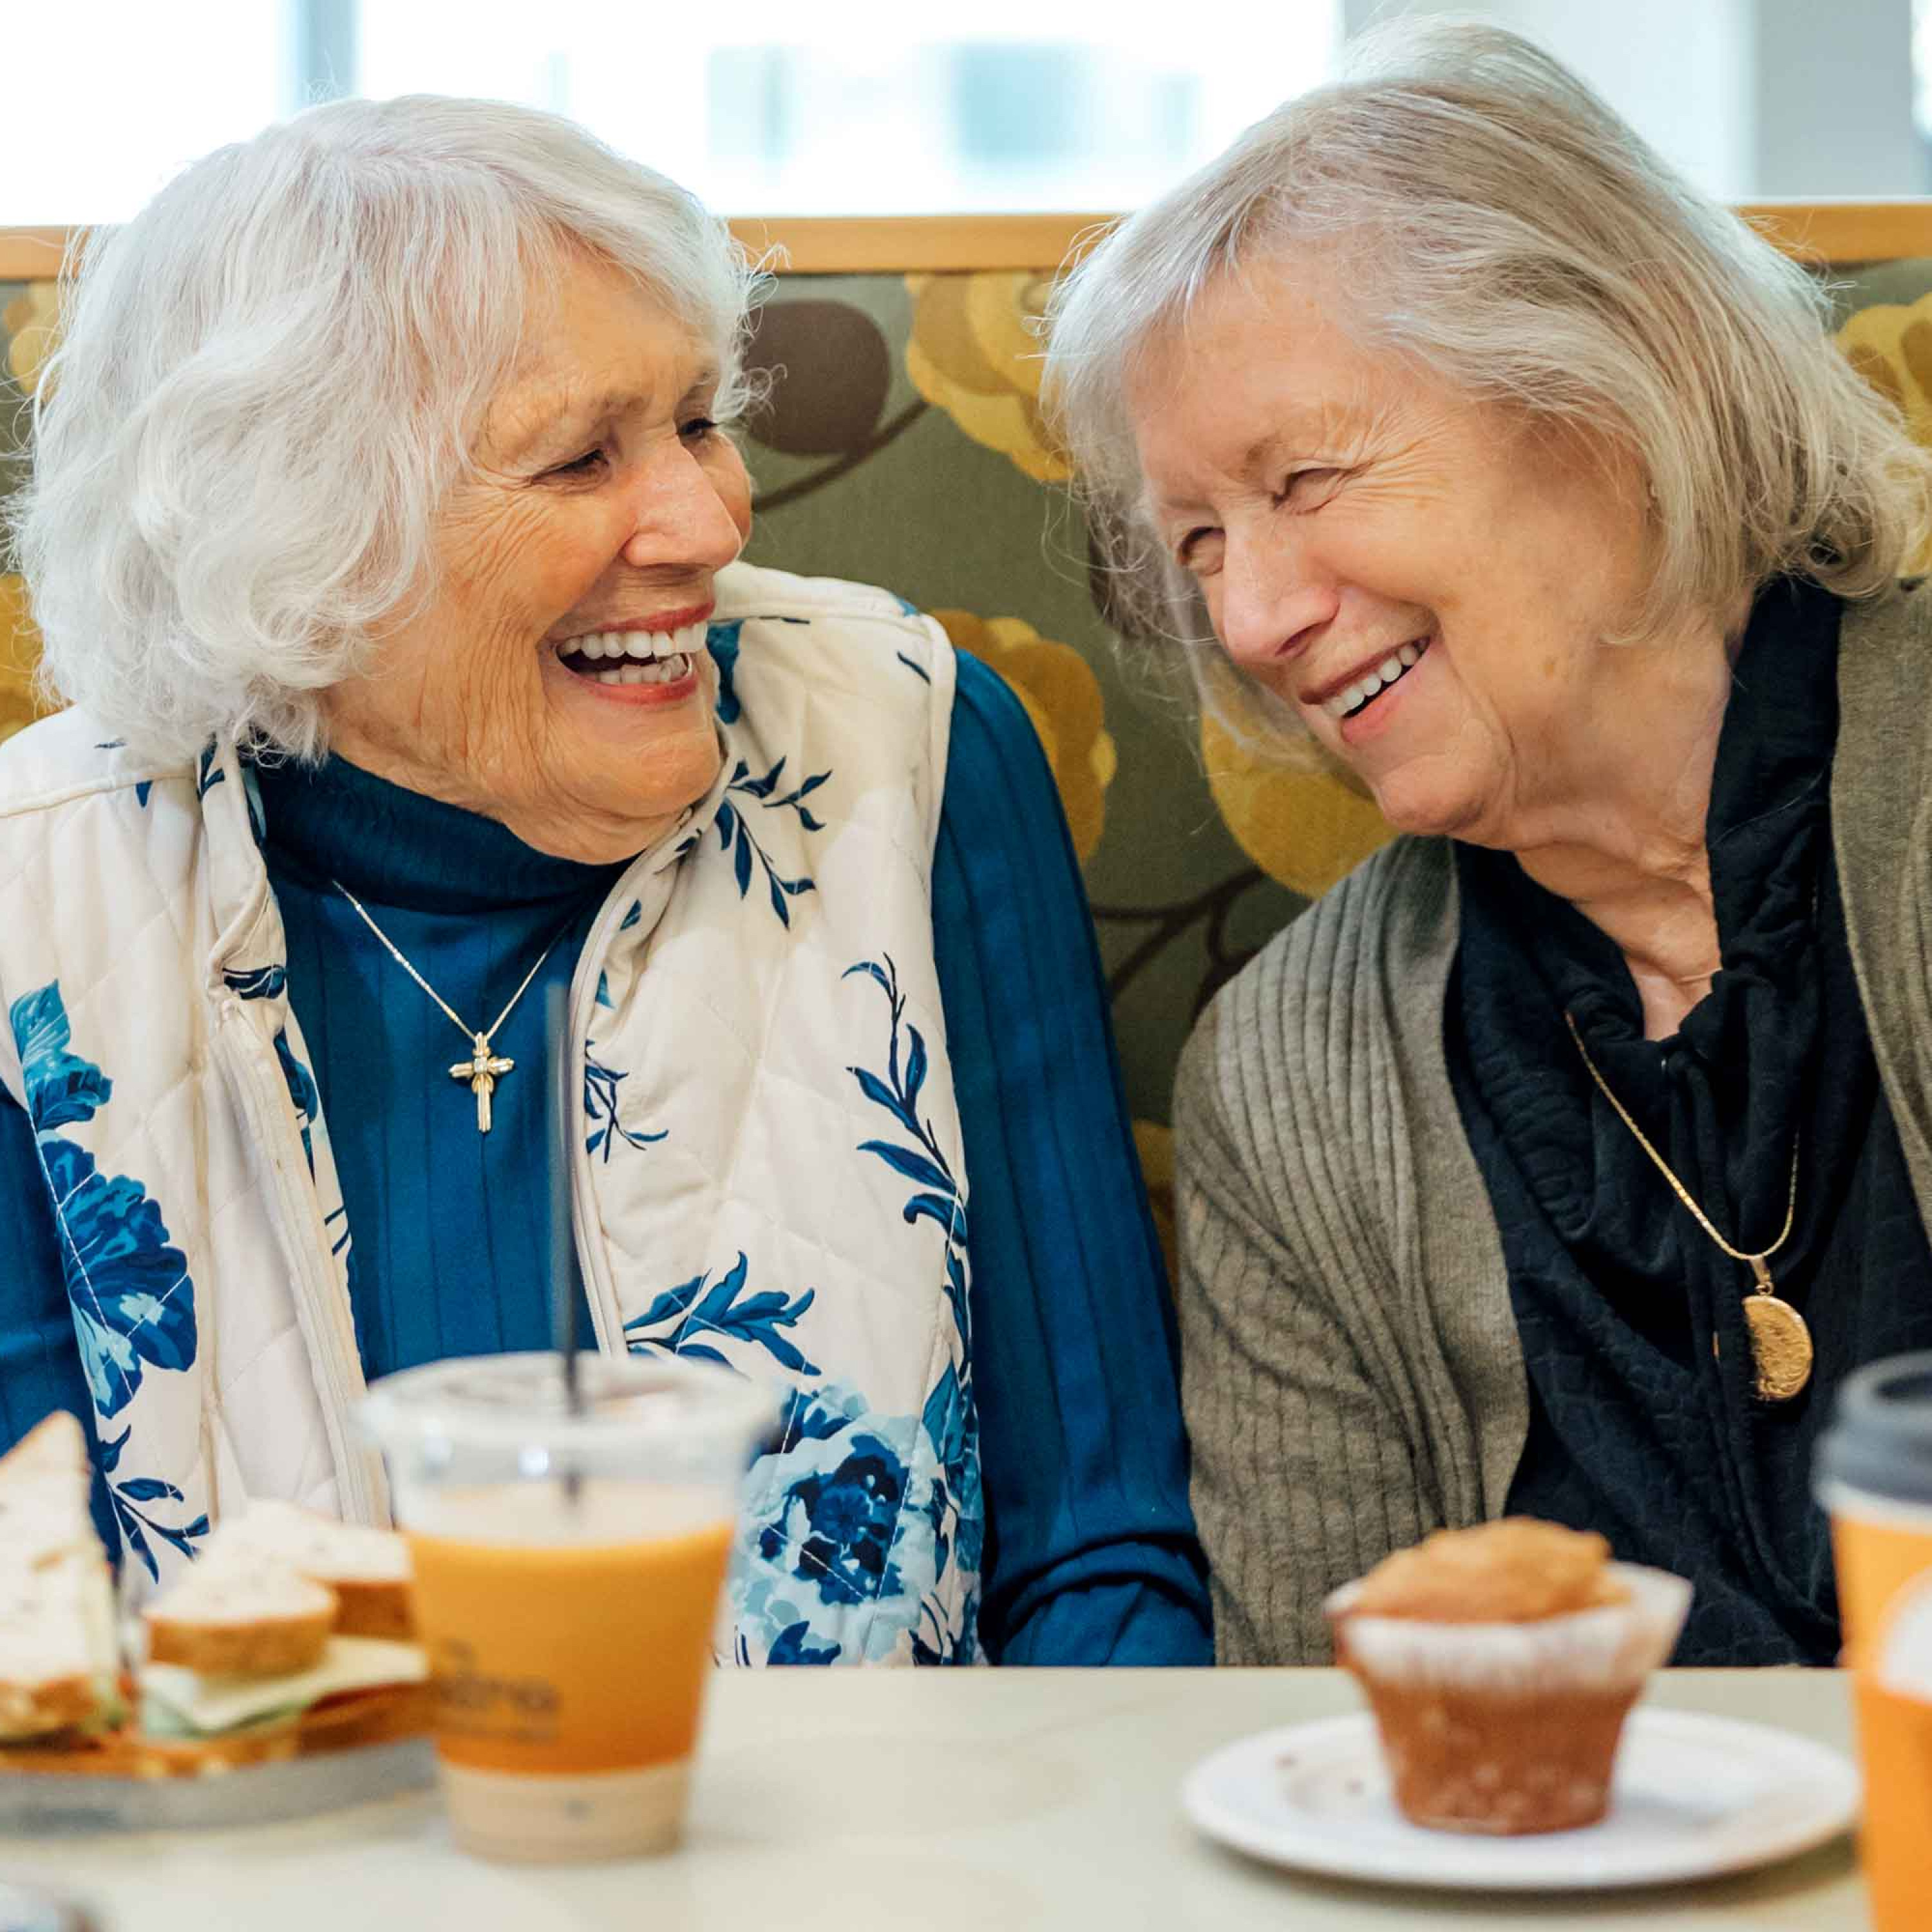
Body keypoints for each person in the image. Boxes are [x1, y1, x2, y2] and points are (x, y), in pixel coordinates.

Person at [0, 95, 1210, 1667]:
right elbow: (36, 1639)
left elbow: (1097, 1559)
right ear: (299, 547)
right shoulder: (42, 892)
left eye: (700, 420)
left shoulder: (903, 752)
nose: (712, 518)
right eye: (579, 460)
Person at [1043, 20, 1932, 1666]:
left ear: (1602, 394)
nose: (1249, 616)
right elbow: (1317, 1736)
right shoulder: (1306, 1071)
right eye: (1200, 545)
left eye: (1305, 477)